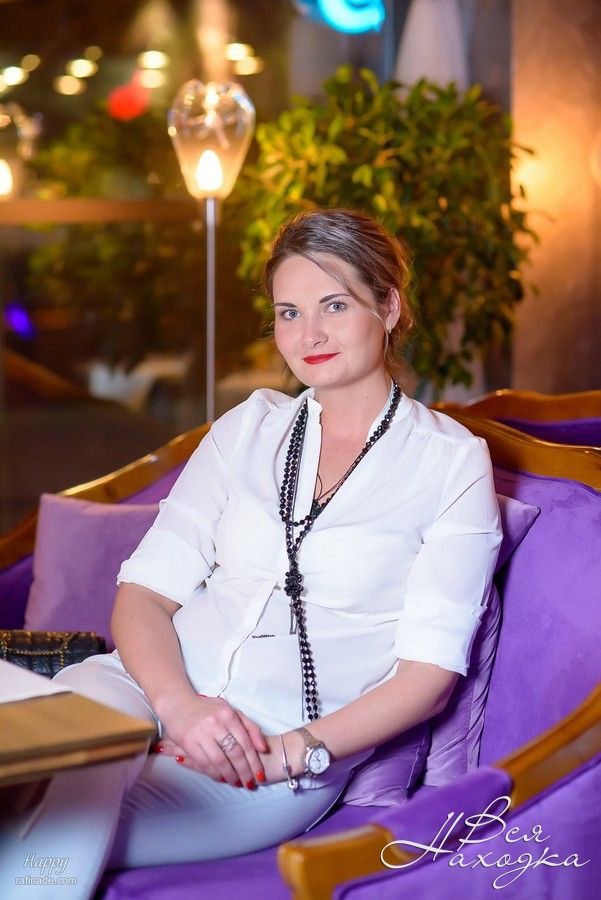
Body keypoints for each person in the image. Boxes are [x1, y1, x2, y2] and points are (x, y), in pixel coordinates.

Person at [0, 208, 502, 898]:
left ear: (388, 307)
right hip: (140, 684)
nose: (309, 334)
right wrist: (180, 708)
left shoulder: (449, 464)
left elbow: (427, 675)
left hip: (274, 748)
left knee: (46, 807)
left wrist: (291, 753)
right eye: (289, 312)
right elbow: (145, 593)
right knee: (60, 757)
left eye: (334, 305)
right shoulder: (249, 427)